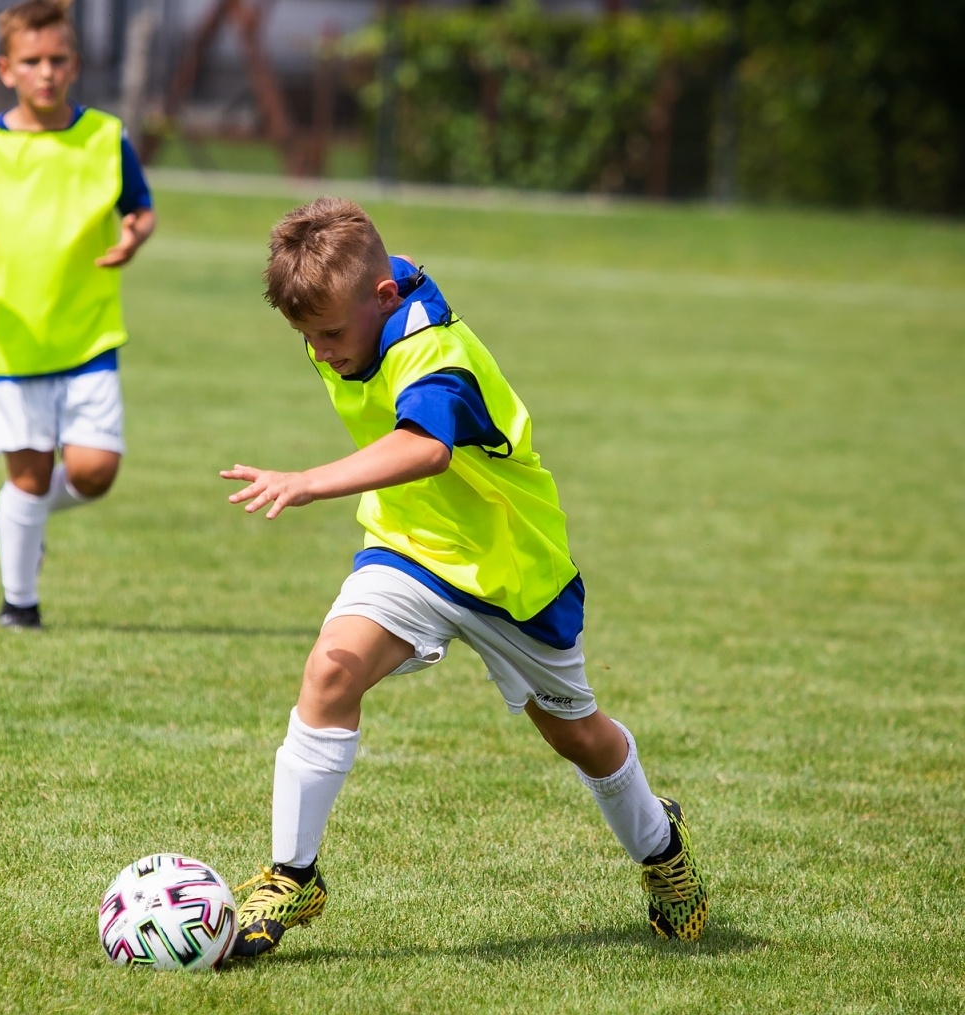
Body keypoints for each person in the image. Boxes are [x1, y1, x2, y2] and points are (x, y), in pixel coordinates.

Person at [220, 198, 707, 957]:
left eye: (328, 336)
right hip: (410, 548)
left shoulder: (435, 355)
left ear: (382, 302)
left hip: (511, 569)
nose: (318, 352)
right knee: (332, 668)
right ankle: (293, 874)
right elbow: (373, 265)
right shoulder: (361, 299)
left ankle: (660, 849)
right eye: (304, 337)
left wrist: (310, 479)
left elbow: (426, 449)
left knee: (577, 735)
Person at [0, 0, 155, 630]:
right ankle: (19, 604)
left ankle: (21, 524)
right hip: (11, 340)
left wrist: (135, 234)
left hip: (88, 334)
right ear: (7, 69)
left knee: (95, 470)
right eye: (32, 61)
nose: (47, 72)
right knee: (28, 479)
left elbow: (140, 206)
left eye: (58, 60)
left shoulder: (105, 138)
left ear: (75, 64)